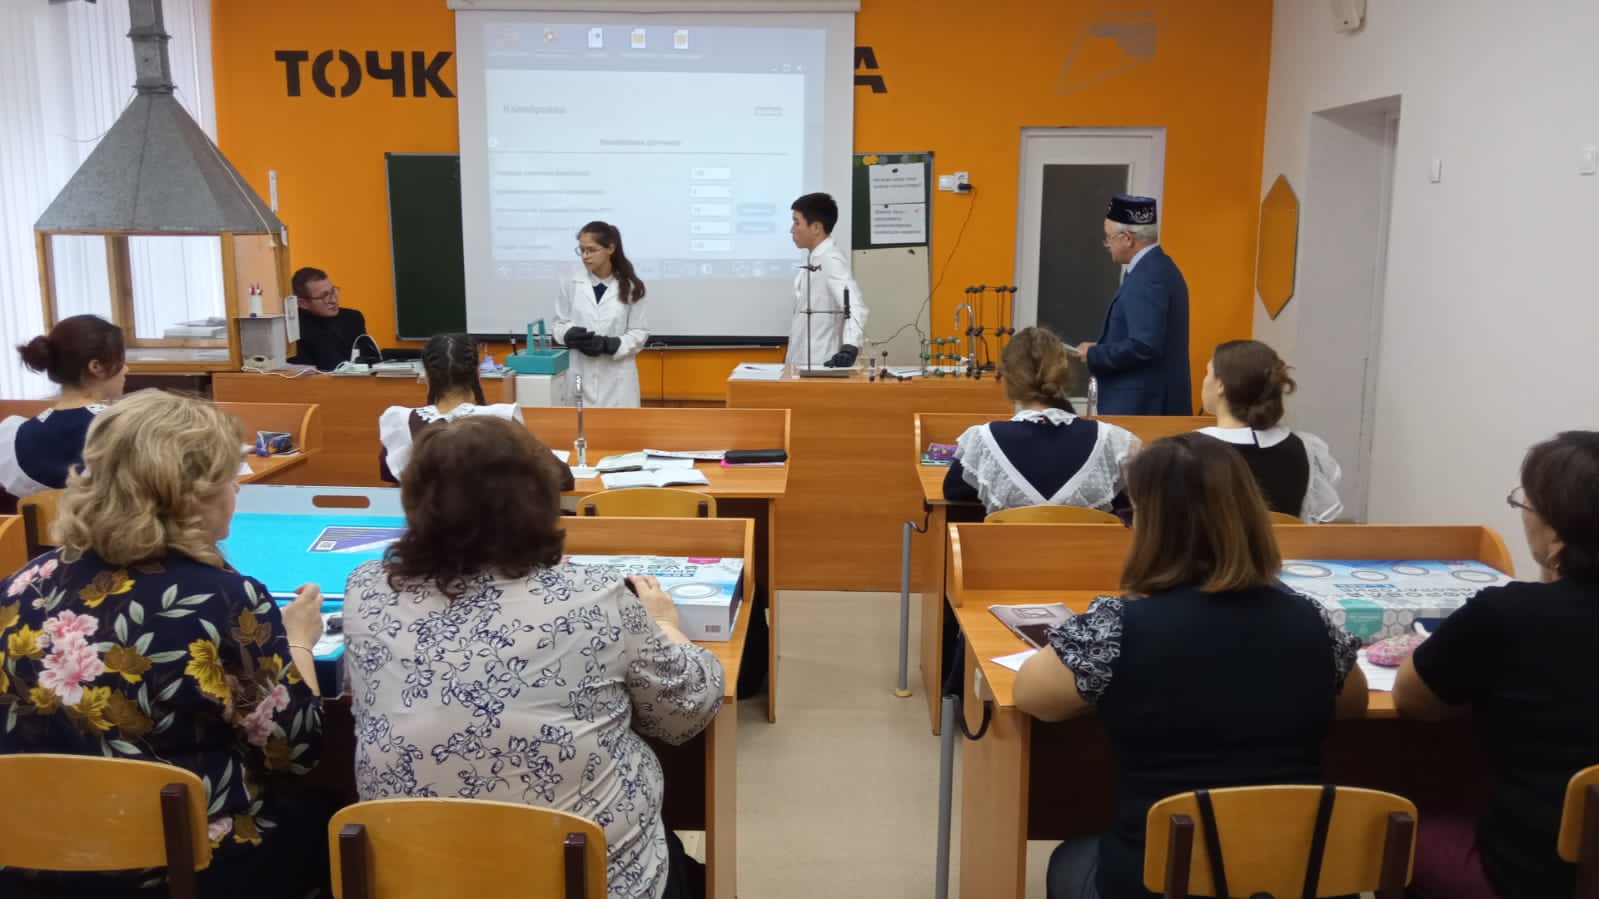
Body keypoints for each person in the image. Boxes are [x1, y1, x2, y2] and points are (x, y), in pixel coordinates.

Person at [344, 416, 724, 899]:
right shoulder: (594, 596)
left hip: (416, 883)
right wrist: (666, 624)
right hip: (586, 881)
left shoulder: (367, 591)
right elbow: (683, 711)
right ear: (538, 499)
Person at [0, 390, 331, 899]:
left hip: (33, 861)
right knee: (331, 818)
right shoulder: (225, 599)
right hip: (179, 868)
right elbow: (297, 750)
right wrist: (298, 642)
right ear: (190, 495)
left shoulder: (21, 585)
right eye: (228, 478)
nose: (236, 490)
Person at [1012, 433, 1366, 899]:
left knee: (1070, 860)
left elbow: (1031, 696)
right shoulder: (1311, 620)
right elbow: (1353, 702)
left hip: (1161, 881)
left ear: (1152, 526)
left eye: (1132, 515)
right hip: (1297, 881)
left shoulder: (1118, 628)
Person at [1394, 431, 1599, 899]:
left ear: (1557, 532)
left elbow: (1412, 699)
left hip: (1531, 874)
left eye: (1525, 503)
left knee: (1398, 829)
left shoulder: (1508, 614)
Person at [944, 327, 1139, 514]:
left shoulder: (982, 441)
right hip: (1092, 539)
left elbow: (954, 491)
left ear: (1009, 378)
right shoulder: (1116, 442)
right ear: (1064, 373)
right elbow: (1140, 498)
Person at [1196, 339, 1342, 522]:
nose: (1204, 381)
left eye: (1207, 373)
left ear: (1221, 385)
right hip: (1282, 542)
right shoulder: (1305, 450)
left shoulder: (1186, 453)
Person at [1072, 195, 1191, 415]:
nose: (1107, 245)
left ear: (1127, 238)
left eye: (1108, 237)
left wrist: (1096, 353)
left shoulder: (1148, 277)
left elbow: (1145, 346)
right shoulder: (1158, 267)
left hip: (1143, 409)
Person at [377, 332, 547, 484]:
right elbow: (551, 472)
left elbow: (390, 474)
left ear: (427, 377)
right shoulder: (502, 420)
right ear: (477, 374)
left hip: (427, 511)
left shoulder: (404, 422)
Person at [0, 315, 127, 512]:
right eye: (120, 361)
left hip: (42, 533)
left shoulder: (13, 436)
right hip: (112, 532)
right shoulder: (124, 429)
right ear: (96, 367)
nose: (126, 369)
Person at [554, 221, 649, 407]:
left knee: (619, 425)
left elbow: (639, 332)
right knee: (579, 422)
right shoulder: (571, 283)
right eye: (581, 250)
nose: (585, 256)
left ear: (610, 248)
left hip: (618, 380)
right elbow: (559, 324)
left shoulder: (632, 287)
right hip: (580, 373)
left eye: (591, 250)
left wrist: (610, 345)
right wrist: (568, 334)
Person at [785, 192, 867, 369]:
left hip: (822, 363)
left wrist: (850, 347)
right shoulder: (814, 257)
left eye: (797, 222)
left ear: (815, 227)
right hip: (803, 362)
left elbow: (854, 305)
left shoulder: (831, 259)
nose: (791, 230)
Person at [287, 266, 375, 371]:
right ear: (303, 303)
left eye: (333, 291)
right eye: (324, 296)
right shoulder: (294, 328)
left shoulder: (353, 318)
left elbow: (369, 359)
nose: (333, 300)